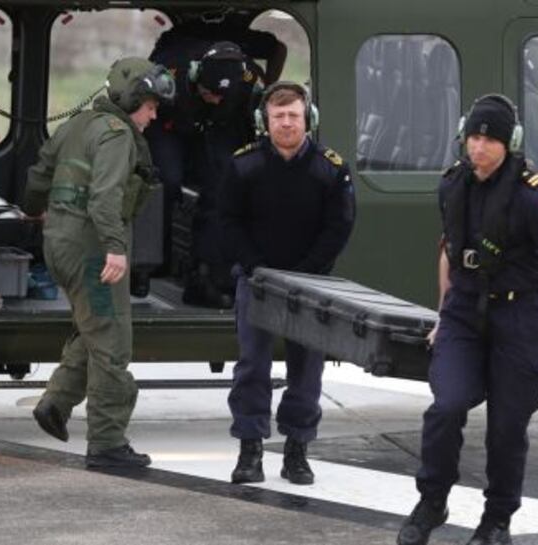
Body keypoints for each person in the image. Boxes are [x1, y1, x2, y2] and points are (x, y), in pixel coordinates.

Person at [396, 95, 538, 545]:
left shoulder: (533, 197)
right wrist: (443, 313)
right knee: (447, 405)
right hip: (462, 314)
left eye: (489, 140)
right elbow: (448, 251)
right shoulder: (452, 184)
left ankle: (497, 521)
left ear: (509, 142)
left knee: (507, 426)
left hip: (518, 317)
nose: (478, 148)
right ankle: (432, 501)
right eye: (473, 137)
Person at [22, 57, 175, 469]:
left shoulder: (76, 124)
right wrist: (115, 247)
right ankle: (107, 443)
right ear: (131, 101)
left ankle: (56, 403)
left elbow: (39, 175)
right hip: (93, 250)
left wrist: (35, 210)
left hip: (60, 244)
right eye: (151, 106)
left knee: (93, 327)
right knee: (112, 343)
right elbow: (105, 197)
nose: (154, 114)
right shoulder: (117, 135)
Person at [220, 82, 356, 485]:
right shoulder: (244, 165)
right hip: (257, 281)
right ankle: (250, 451)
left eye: (293, 115)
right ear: (265, 121)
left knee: (307, 370)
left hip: (310, 284)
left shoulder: (331, 169)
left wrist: (309, 269)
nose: (286, 123)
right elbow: (227, 221)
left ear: (308, 119)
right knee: (251, 367)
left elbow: (340, 225)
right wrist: (255, 265)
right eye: (278, 116)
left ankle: (297, 450)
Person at [147, 30, 282, 308]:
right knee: (167, 180)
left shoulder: (249, 79)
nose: (215, 98)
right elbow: (144, 105)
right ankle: (154, 261)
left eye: (222, 96)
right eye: (209, 93)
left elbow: (273, 66)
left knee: (222, 187)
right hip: (171, 123)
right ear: (196, 79)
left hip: (218, 126)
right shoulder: (172, 68)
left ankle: (207, 273)